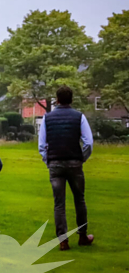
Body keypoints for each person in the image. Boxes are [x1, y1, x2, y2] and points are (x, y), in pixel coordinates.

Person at [38, 85, 95, 250]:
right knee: (79, 199)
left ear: (56, 100)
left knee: (59, 204)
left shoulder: (47, 118)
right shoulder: (79, 117)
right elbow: (88, 142)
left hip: (55, 164)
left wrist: (47, 160)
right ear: (71, 99)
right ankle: (83, 235)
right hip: (74, 162)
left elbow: (42, 145)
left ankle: (63, 240)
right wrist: (82, 158)